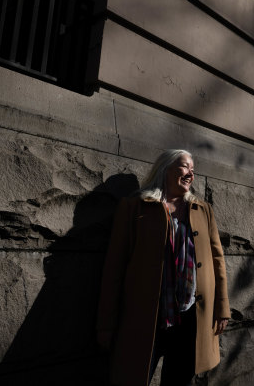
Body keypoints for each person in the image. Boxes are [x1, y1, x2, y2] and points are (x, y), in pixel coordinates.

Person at [96, 149, 230, 386]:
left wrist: (222, 309)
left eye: (193, 169)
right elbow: (114, 268)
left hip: (190, 318)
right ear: (165, 169)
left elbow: (217, 261)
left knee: (178, 380)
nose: (191, 174)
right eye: (185, 167)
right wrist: (106, 324)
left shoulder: (202, 210)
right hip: (148, 318)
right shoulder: (135, 207)